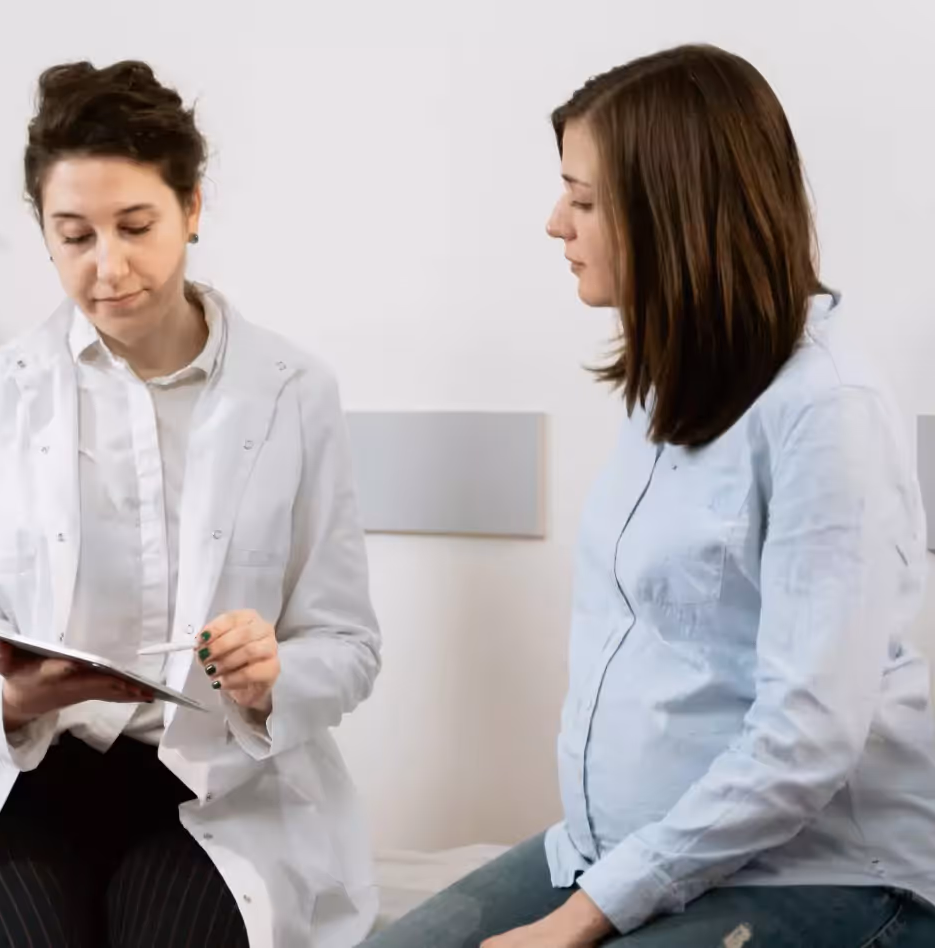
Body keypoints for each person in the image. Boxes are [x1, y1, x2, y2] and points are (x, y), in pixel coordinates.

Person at [367, 44, 935, 948]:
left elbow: (806, 742)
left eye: (584, 200)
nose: (557, 223)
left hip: (821, 866)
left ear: (676, 212)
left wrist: (585, 919)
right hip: (622, 847)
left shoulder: (827, 414)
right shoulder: (676, 384)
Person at [0, 60, 382, 948]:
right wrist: (12, 698)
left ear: (193, 209)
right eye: (73, 235)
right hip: (30, 779)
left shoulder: (293, 393)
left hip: (216, 784)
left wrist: (275, 677)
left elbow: (347, 644)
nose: (108, 268)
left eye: (136, 226)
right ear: (43, 232)